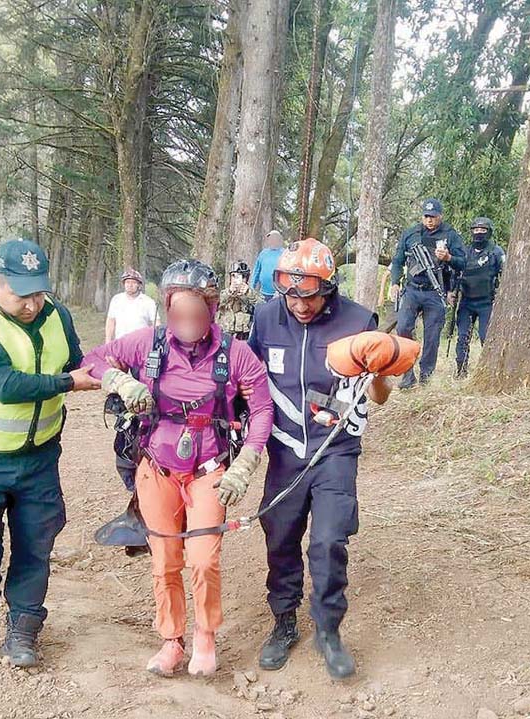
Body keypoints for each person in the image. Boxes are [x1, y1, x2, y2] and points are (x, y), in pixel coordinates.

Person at [80, 260, 273, 677]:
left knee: (203, 559)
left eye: (196, 314)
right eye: (177, 313)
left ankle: (205, 637)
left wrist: (246, 463)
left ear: (213, 308)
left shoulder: (236, 355)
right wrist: (120, 381)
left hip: (209, 469)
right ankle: (171, 641)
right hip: (157, 467)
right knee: (165, 559)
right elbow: (94, 358)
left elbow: (261, 410)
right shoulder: (150, 345)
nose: (186, 322)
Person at [247, 238, 418, 679]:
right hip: (284, 450)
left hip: (335, 450)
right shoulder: (266, 318)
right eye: (291, 295)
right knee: (280, 537)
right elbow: (249, 380)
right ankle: (284, 622)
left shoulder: (359, 320)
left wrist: (378, 370)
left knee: (328, 541)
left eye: (310, 295)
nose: (300, 306)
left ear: (329, 288)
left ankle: (328, 629)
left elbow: (378, 398)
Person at [0, 238, 96, 667]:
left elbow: (75, 362)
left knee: (36, 542)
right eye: (21, 293)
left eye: (38, 292)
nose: (32, 304)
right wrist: (69, 384)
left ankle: (25, 625)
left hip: (40, 456)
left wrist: (113, 373)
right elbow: (3, 385)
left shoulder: (57, 316)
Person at [388, 199, 466, 388]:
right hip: (412, 289)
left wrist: (448, 258)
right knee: (403, 329)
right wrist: (394, 283)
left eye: (433, 217)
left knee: (432, 336)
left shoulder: (450, 235)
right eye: (426, 216)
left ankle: (426, 376)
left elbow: (463, 262)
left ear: (441, 216)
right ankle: (407, 374)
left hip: (435, 292)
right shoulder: (411, 234)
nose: (429, 220)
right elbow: (398, 260)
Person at [453, 216, 506, 376]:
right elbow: (455, 273)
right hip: (466, 302)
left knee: (486, 337)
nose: (479, 233)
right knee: (462, 338)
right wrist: (452, 291)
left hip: (487, 303)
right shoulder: (465, 252)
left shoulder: (497, 252)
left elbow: (506, 273)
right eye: (476, 230)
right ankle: (461, 371)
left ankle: (489, 372)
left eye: (483, 230)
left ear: (489, 232)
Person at [105, 269, 159, 343]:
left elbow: (156, 324)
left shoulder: (148, 302)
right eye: (127, 282)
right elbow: (111, 322)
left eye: (133, 282)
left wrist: (155, 342)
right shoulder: (116, 300)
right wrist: (108, 342)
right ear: (124, 284)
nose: (130, 285)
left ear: (139, 285)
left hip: (141, 345)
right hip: (120, 344)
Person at [217, 261, 259, 340]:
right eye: (234, 276)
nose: (236, 280)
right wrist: (229, 292)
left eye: (242, 276)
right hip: (225, 333)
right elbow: (216, 304)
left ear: (246, 278)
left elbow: (262, 307)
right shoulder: (224, 293)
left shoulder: (252, 294)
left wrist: (248, 293)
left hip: (244, 336)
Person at [249, 229, 285, 301]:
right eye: (270, 238)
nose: (272, 240)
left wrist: (281, 290)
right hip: (263, 294)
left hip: (279, 294)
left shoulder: (284, 253)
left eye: (275, 238)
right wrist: (251, 287)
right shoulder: (263, 253)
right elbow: (257, 271)